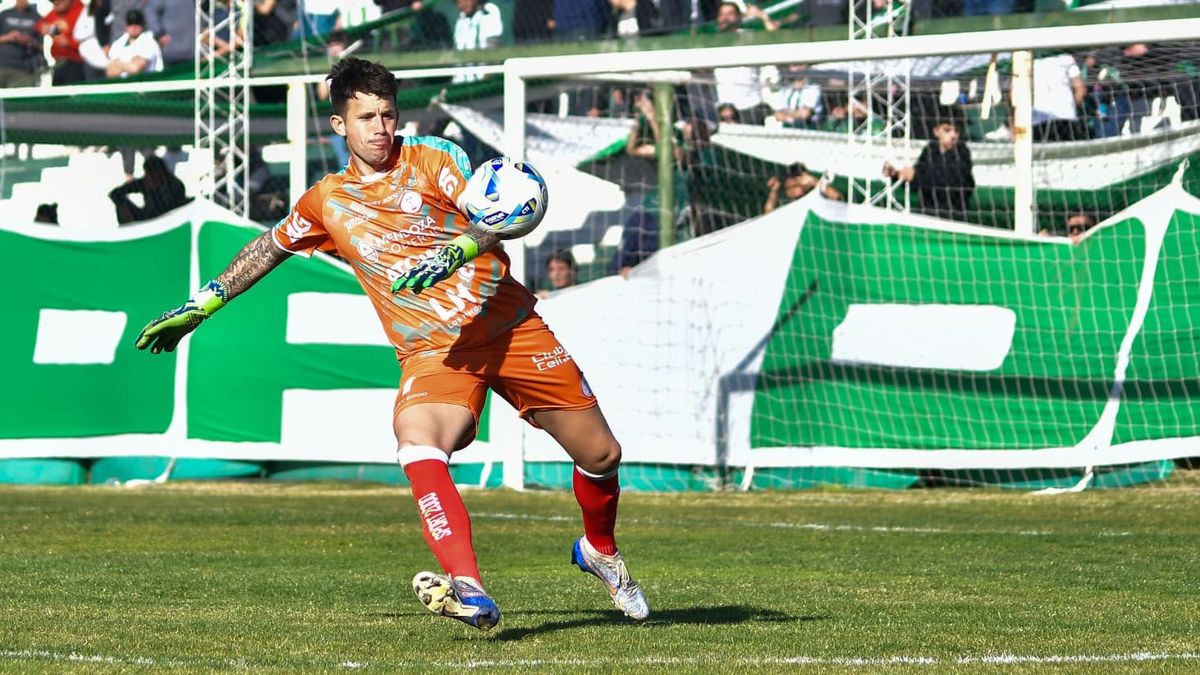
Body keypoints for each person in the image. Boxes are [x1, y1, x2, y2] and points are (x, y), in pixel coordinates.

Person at [133, 57, 649, 631]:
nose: (381, 128)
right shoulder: (326, 200)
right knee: (418, 441)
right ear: (339, 125)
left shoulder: (435, 158)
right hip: (435, 352)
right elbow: (269, 247)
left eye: (388, 115)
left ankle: (600, 549)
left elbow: (494, 213)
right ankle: (469, 586)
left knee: (601, 455)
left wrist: (459, 249)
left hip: (508, 327)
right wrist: (205, 302)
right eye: (367, 117)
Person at [882, 112, 974, 222]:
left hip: (953, 216)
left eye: (957, 131)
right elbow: (915, 185)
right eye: (947, 130)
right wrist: (897, 174)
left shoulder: (962, 153)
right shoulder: (930, 150)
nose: (953, 135)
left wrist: (915, 175)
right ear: (936, 131)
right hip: (928, 213)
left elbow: (950, 181)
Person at [108, 155, 190, 224]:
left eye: (153, 175)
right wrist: (125, 207)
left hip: (169, 221)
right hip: (146, 218)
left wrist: (154, 192)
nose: (149, 178)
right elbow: (115, 193)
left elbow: (174, 210)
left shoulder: (175, 186)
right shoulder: (145, 183)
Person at [1032, 52, 1085, 142]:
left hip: (1040, 119)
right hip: (1066, 116)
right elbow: (1080, 89)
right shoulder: (1066, 56)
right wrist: (1072, 107)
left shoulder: (1027, 58)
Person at [36, 0, 86, 85]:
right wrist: (52, 29)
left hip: (77, 63)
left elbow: (90, 38)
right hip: (58, 63)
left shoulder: (81, 10)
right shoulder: (57, 11)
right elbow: (40, 25)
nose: (55, 2)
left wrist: (69, 42)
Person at [105, 9, 163, 79]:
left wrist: (117, 62)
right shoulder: (118, 43)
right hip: (125, 86)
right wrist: (129, 63)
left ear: (143, 24)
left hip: (148, 85)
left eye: (137, 23)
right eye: (130, 23)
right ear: (126, 25)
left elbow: (135, 68)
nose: (134, 26)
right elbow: (110, 72)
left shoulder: (149, 42)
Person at [763, 162, 840, 214]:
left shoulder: (814, 193)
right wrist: (774, 191)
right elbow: (768, 212)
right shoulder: (783, 195)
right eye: (793, 180)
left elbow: (836, 196)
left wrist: (814, 182)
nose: (792, 186)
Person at [0, 0, 41, 88]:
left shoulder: (36, 17)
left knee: (16, 100)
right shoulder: (4, 14)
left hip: (24, 68)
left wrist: (28, 40)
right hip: (1, 65)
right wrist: (8, 37)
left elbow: (41, 46)